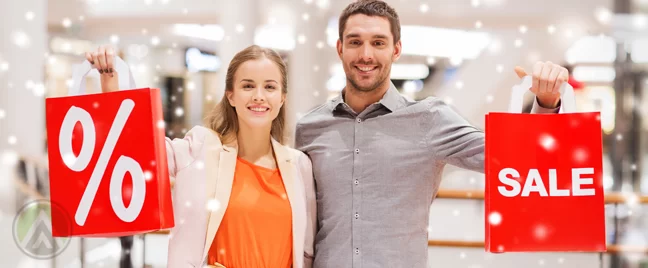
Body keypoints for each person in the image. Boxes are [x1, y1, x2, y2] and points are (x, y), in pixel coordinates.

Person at [294, 0, 569, 267]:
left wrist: (546, 103)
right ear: (340, 48)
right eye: (355, 42)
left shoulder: (430, 119)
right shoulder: (310, 128)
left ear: (396, 50)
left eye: (378, 42)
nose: (366, 54)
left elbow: (513, 158)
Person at [85, 45, 316, 268]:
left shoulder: (299, 166)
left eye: (270, 87)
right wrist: (111, 86)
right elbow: (136, 151)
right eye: (247, 86)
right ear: (231, 96)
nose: (259, 96)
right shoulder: (200, 148)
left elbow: (307, 253)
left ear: (282, 97)